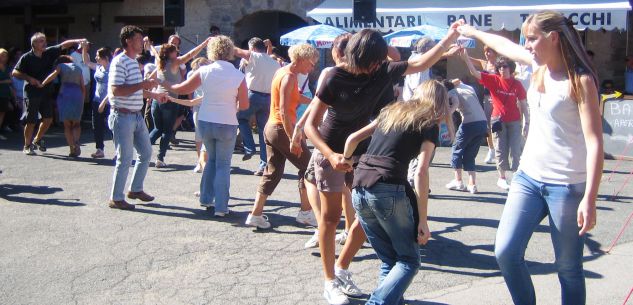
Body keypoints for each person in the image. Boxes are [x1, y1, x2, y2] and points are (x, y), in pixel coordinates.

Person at [304, 23, 462, 305]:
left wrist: (448, 37)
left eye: (376, 63)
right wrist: (330, 154)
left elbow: (421, 62)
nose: (371, 68)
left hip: (363, 151)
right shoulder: (334, 78)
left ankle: (341, 270)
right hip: (330, 148)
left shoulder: (382, 70)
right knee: (329, 219)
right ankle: (329, 282)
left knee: (365, 218)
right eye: (368, 63)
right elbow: (310, 126)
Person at [458, 10, 603, 305]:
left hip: (567, 185)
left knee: (568, 268)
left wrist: (590, 197)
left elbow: (595, 142)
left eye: (532, 38)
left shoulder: (581, 81)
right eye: (525, 38)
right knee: (506, 252)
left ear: (553, 38)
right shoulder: (537, 66)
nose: (526, 45)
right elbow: (504, 46)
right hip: (528, 177)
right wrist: (473, 33)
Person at [343, 80, 451, 305]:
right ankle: (377, 303)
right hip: (388, 188)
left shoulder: (390, 112)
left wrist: (345, 162)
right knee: (409, 260)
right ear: (440, 102)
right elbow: (421, 172)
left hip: (360, 186)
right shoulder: (429, 122)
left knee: (389, 259)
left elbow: (352, 139)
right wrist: (423, 220)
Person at [162, 35, 249, 217]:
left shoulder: (204, 71)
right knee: (223, 165)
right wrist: (233, 106)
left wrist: (160, 82)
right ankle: (221, 207)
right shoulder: (238, 75)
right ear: (230, 51)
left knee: (211, 161)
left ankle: (206, 198)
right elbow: (245, 105)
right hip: (227, 122)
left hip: (206, 119)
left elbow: (181, 89)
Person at [244, 43, 319, 229]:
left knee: (273, 172)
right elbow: (285, 112)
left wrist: (317, 102)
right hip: (281, 128)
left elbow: (294, 98)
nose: (312, 68)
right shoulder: (289, 77)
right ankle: (305, 213)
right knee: (309, 168)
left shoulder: (282, 72)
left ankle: (256, 214)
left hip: (271, 128)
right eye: (311, 63)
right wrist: (293, 137)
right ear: (301, 59)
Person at [107, 25, 167, 211]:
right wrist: (144, 84)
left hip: (135, 115)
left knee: (146, 153)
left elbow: (134, 89)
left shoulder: (133, 62)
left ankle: (135, 189)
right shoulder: (120, 62)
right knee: (125, 158)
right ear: (128, 41)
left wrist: (153, 95)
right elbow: (117, 90)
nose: (142, 42)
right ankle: (116, 198)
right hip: (122, 115)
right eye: (139, 39)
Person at [461, 51, 529, 191]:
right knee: (500, 148)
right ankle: (502, 177)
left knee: (516, 149)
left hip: (515, 120)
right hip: (498, 119)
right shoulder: (494, 80)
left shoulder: (517, 84)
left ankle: (516, 176)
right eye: (500, 68)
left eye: (505, 67)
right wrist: (466, 58)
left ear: (511, 68)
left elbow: (523, 103)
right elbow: (475, 73)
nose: (502, 70)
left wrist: (527, 122)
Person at [12, 32, 86, 155]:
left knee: (48, 119)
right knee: (31, 120)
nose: (44, 43)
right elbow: (15, 72)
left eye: (45, 40)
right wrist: (29, 78)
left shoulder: (49, 52)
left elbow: (63, 45)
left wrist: (79, 40)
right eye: (41, 41)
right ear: (34, 44)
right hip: (32, 92)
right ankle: (27, 145)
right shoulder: (26, 57)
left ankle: (36, 139)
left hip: (46, 91)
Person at [147, 38, 209, 167]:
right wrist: (204, 43)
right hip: (170, 100)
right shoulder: (175, 63)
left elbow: (154, 51)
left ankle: (142, 152)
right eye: (175, 51)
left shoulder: (160, 62)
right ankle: (160, 158)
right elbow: (191, 54)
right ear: (170, 53)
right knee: (167, 130)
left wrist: (150, 45)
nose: (178, 52)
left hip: (157, 100)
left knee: (157, 129)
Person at [234, 37, 281, 176]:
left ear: (252, 48)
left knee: (240, 118)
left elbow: (236, 51)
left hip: (253, 95)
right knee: (263, 131)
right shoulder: (274, 62)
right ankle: (263, 164)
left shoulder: (253, 56)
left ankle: (249, 147)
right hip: (268, 98)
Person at [444, 79, 489, 194]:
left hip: (469, 123)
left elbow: (455, 103)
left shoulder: (451, 92)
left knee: (457, 149)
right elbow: (458, 80)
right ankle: (472, 185)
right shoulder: (469, 88)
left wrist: (448, 113)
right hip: (483, 123)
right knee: (470, 154)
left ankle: (458, 181)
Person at [40, 55, 86, 157]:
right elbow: (83, 87)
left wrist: (42, 83)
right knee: (76, 123)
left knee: (67, 125)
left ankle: (71, 148)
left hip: (64, 94)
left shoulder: (60, 66)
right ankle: (77, 141)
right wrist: (82, 101)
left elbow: (53, 75)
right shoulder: (78, 68)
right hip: (77, 94)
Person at [81, 43, 113, 158]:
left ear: (105, 57)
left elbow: (114, 88)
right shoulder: (99, 67)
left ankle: (118, 152)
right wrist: (84, 49)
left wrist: (105, 102)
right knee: (97, 126)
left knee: (112, 126)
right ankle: (99, 149)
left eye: (98, 56)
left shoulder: (113, 69)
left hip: (109, 102)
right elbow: (86, 62)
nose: (96, 58)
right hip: (96, 100)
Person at [470, 45, 499, 164]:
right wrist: (461, 51)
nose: (487, 54)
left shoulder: (500, 65)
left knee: (498, 124)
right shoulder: (484, 63)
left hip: (499, 97)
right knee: (487, 125)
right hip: (487, 98)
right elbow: (469, 60)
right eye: (485, 51)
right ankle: (491, 150)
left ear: (495, 52)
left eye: (489, 51)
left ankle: (499, 150)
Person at [187, 57, 211, 174]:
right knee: (198, 134)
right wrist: (190, 104)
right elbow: (189, 90)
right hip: (197, 105)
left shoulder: (211, 73)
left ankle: (206, 161)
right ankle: (199, 161)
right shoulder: (191, 74)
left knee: (209, 134)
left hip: (210, 105)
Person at [0, 48, 13, 138]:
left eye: (6, 56)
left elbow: (10, 80)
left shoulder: (8, 68)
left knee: (2, 112)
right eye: (2, 56)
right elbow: (8, 80)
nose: (4, 58)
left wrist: (2, 82)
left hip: (5, 93)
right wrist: (5, 81)